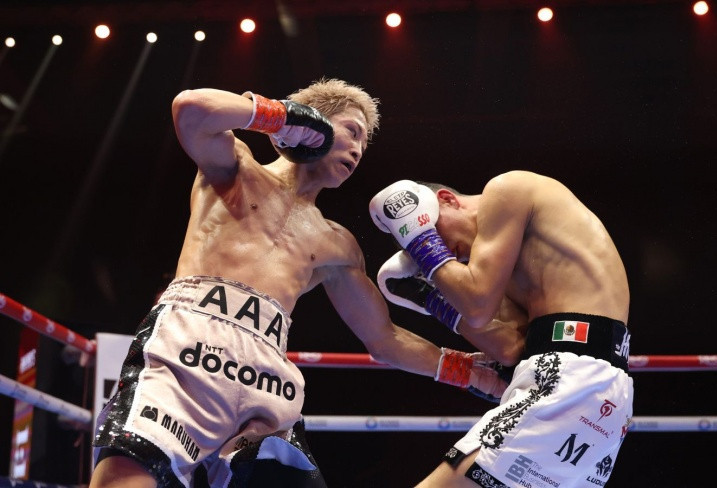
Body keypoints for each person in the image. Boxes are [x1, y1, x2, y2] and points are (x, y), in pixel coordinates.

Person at [89, 79, 507, 488]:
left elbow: (384, 338)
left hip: (265, 383)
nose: (358, 149)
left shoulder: (337, 243)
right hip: (187, 350)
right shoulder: (236, 168)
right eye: (352, 131)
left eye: (364, 143)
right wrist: (279, 117)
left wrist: (469, 372)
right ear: (314, 122)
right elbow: (191, 108)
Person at [369, 172, 633, 488]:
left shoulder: (507, 189)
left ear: (447, 200)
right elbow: (509, 349)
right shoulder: (508, 269)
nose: (446, 254)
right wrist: (431, 297)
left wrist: (420, 242)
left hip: (572, 381)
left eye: (433, 232)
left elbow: (477, 308)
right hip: (596, 396)